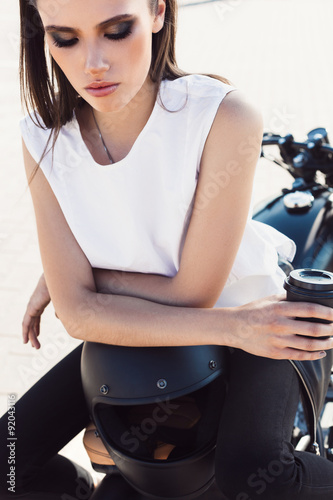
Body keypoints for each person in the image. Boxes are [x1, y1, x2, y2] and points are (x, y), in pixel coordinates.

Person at [1, 0, 333, 498]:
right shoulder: (42, 136)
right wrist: (76, 292)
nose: (92, 63)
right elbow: (76, 315)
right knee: (5, 460)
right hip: (156, 324)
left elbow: (192, 293)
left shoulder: (222, 114)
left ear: (158, 11)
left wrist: (84, 281)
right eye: (65, 38)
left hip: (251, 312)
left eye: (116, 30)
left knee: (255, 473)